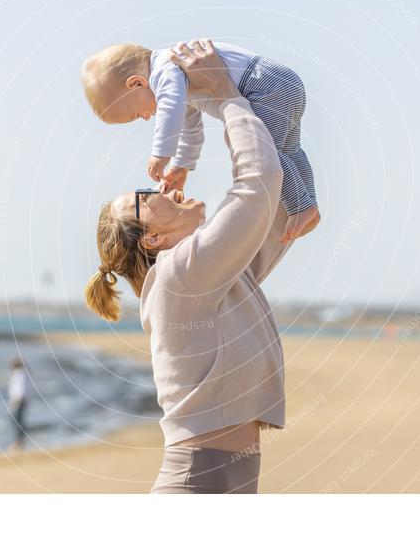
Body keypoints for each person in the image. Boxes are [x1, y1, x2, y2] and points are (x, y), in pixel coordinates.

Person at [84, 40, 296, 493]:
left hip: (224, 477)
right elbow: (258, 186)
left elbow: (270, 210)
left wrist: (299, 190)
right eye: (148, 197)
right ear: (154, 239)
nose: (163, 189)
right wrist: (225, 95)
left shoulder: (207, 278)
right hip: (197, 482)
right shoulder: (180, 277)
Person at [80, 40, 320, 243]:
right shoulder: (178, 77)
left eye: (136, 114)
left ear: (135, 83)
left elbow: (171, 109)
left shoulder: (165, 70)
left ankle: (301, 207)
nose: (145, 117)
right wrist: (182, 165)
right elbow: (190, 128)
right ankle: (309, 205)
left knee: (267, 152)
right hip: (283, 84)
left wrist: (161, 154)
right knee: (289, 150)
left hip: (263, 87)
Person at [7, 357, 31, 451]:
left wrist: (16, 401)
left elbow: (20, 389)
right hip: (21, 400)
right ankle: (20, 441)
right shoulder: (23, 373)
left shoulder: (20, 374)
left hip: (19, 400)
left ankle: (19, 442)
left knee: (17, 421)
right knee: (19, 420)